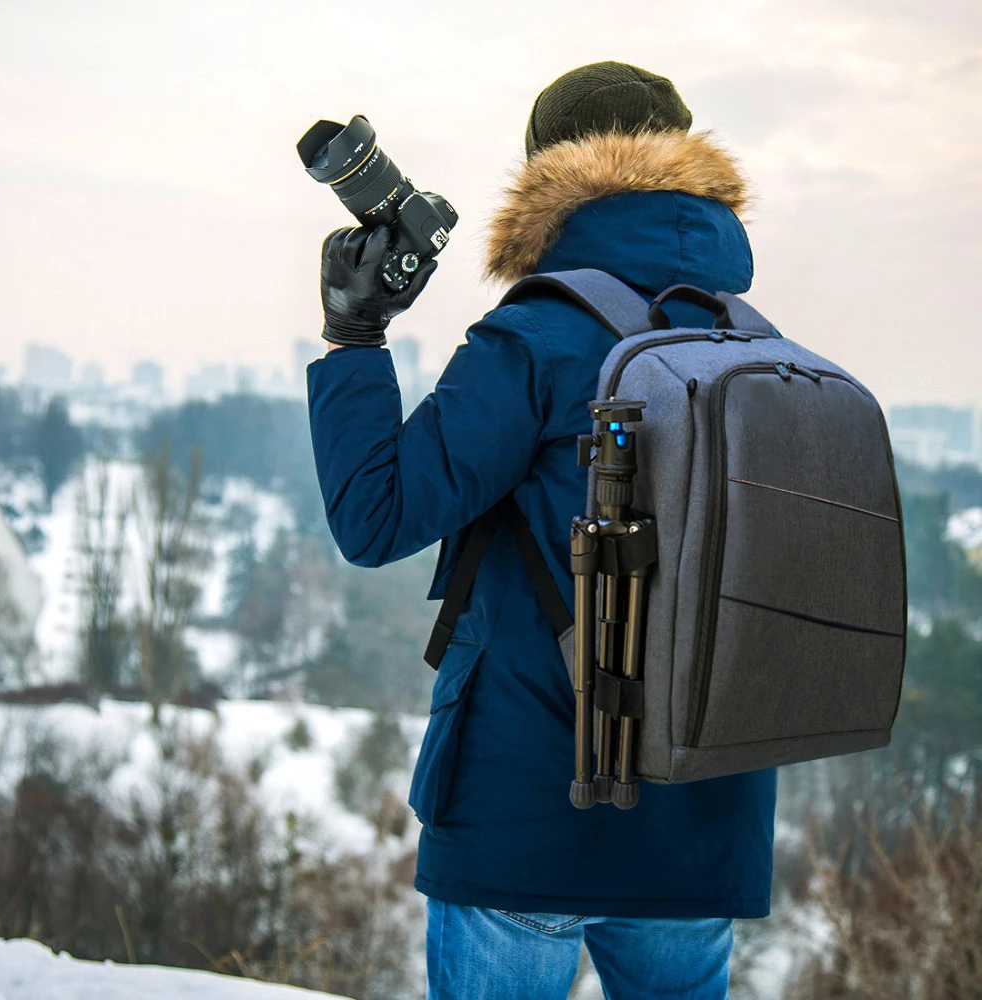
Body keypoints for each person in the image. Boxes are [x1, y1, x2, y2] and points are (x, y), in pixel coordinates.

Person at [307, 61, 777, 1000]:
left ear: (543, 178)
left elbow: (376, 515)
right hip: (703, 826)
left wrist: (354, 338)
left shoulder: (536, 336)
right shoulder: (757, 344)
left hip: (526, 811)